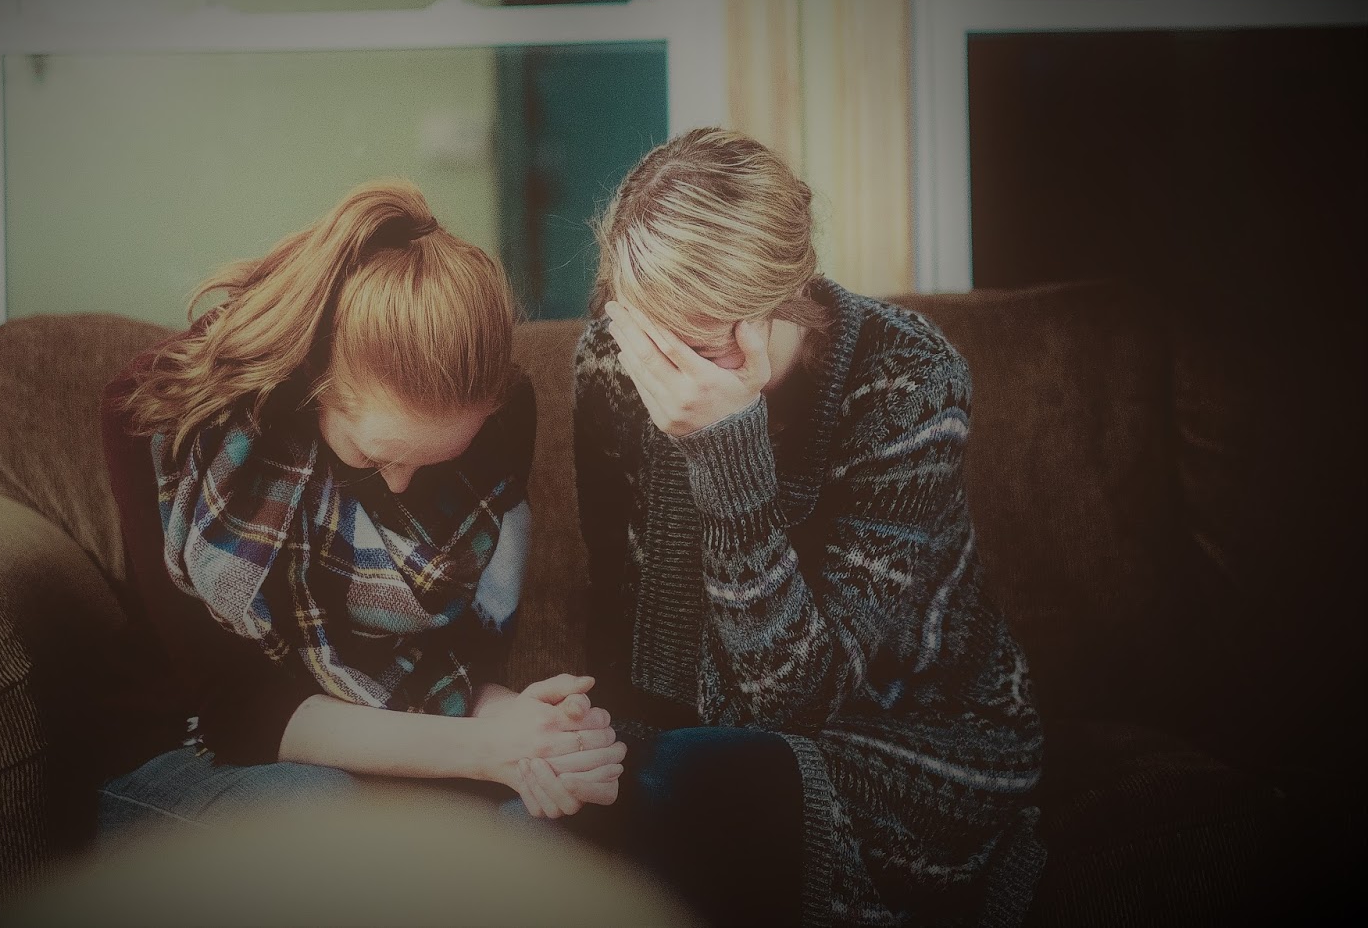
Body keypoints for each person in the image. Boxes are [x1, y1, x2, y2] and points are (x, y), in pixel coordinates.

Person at [570, 130, 1046, 926]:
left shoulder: (909, 381)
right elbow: (619, 615)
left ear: (780, 300)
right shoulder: (615, 363)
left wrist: (726, 449)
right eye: (646, 332)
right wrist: (594, 744)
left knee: (689, 784)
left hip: (910, 741)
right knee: (581, 799)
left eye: (697, 345)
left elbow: (795, 705)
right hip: (697, 740)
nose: (662, 369)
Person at [99, 181, 624, 834]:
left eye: (436, 461)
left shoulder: (500, 420)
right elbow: (238, 712)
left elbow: (455, 669)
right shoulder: (162, 417)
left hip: (389, 739)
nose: (400, 488)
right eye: (375, 458)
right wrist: (487, 750)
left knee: (545, 821)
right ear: (314, 381)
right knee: (327, 814)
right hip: (189, 745)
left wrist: (525, 725)